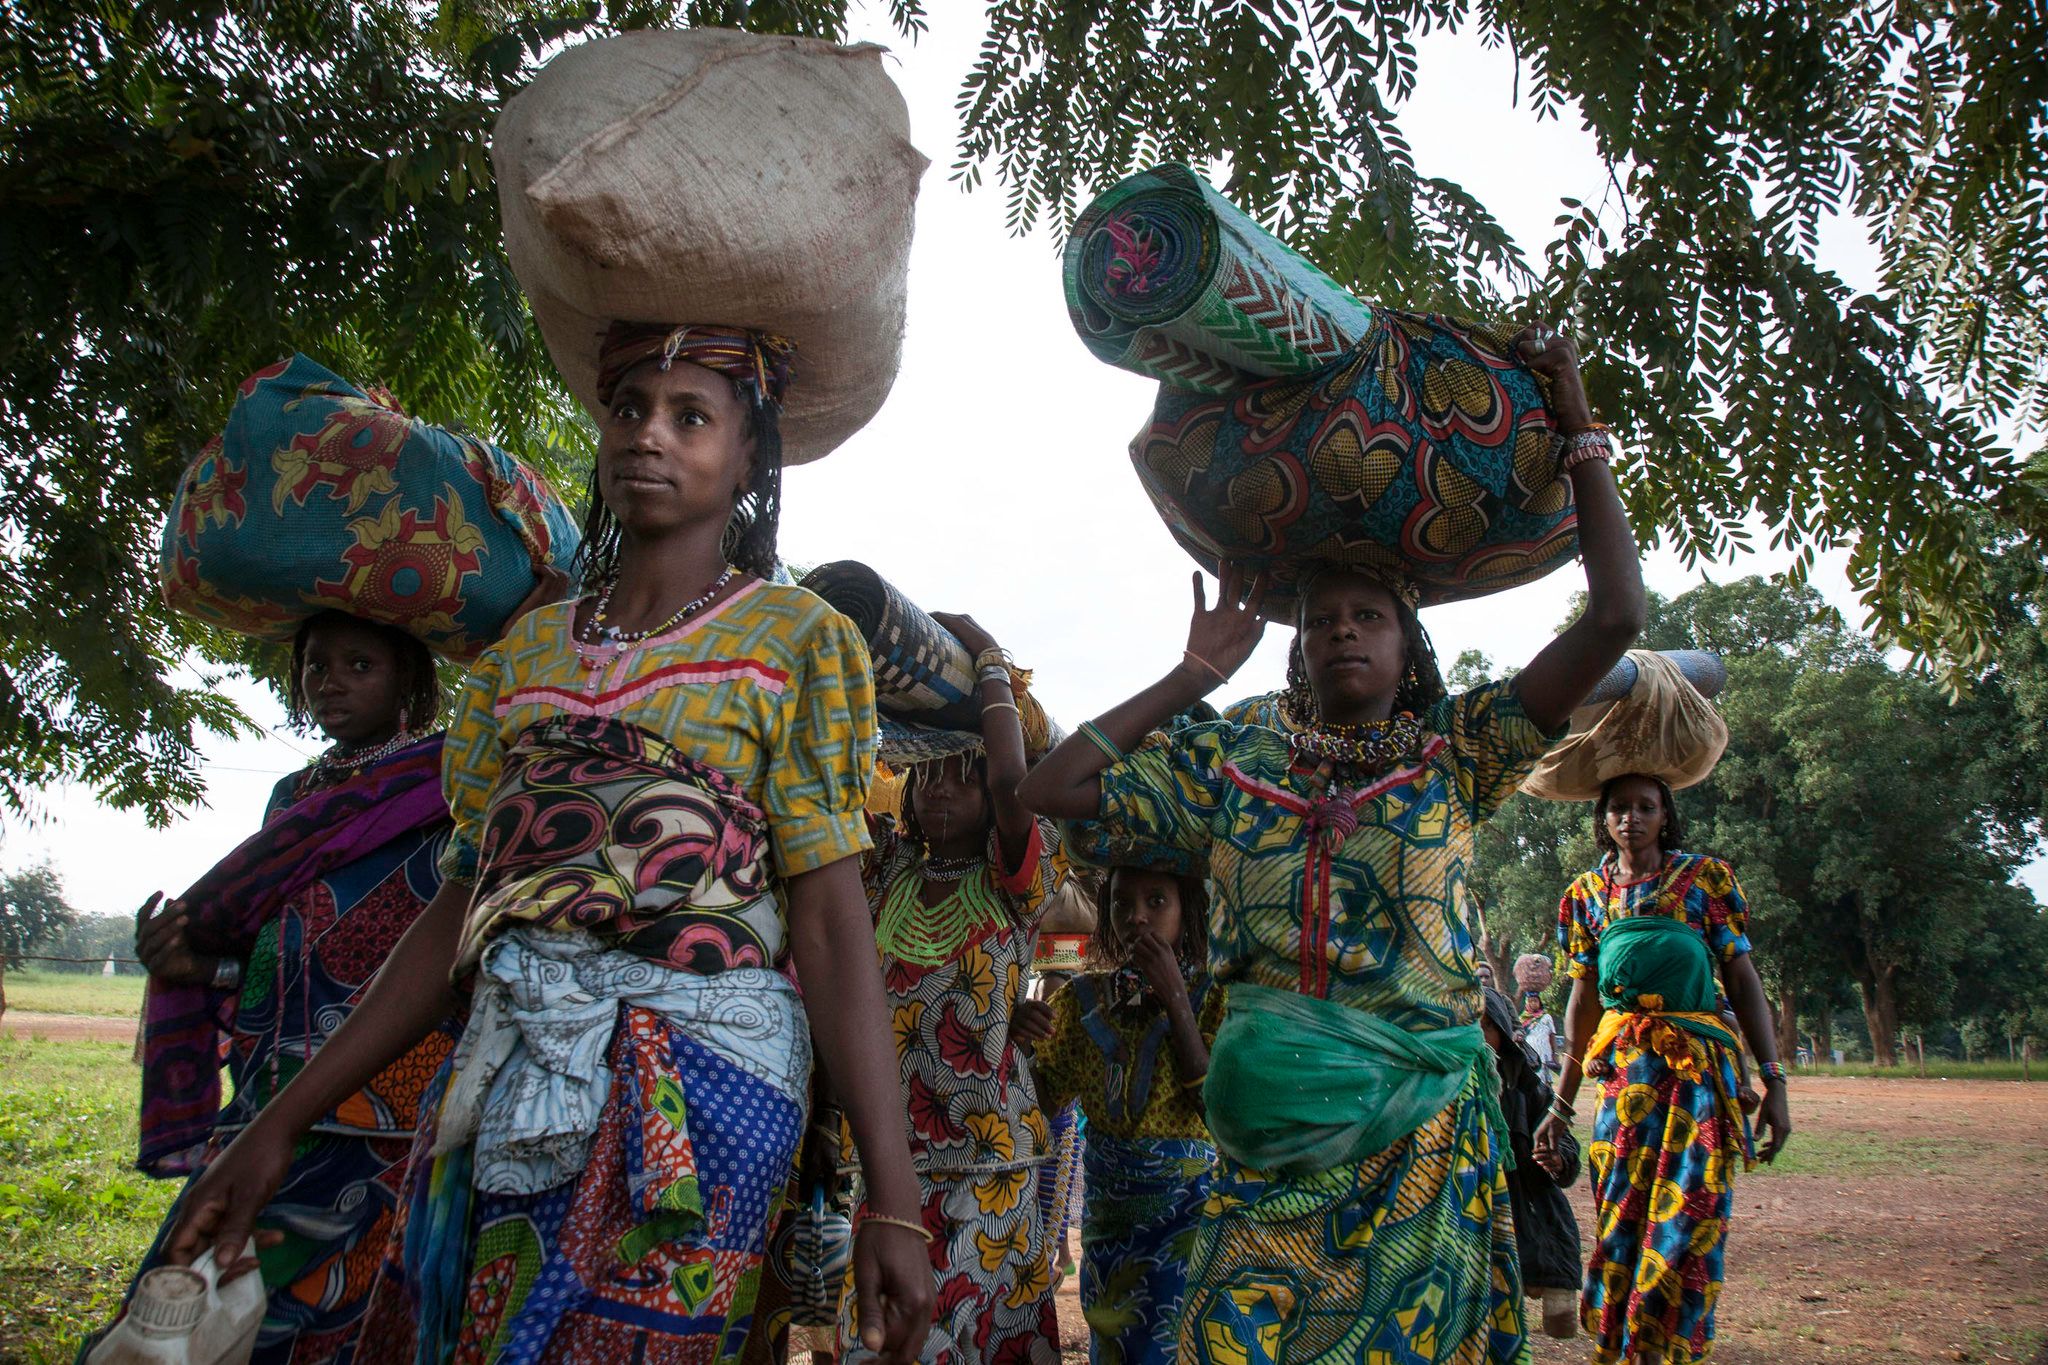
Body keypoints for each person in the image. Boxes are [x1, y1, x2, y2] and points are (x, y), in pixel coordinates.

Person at [159, 324, 934, 1365]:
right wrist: (280, 1120)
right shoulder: (523, 656)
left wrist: (892, 1197)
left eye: (690, 416)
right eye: (628, 410)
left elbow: (833, 927)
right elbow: (462, 913)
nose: (647, 437)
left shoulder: (794, 642)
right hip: (501, 1070)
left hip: (702, 1083)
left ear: (749, 459)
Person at [1019, 324, 1643, 1364]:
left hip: (1417, 1152)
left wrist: (1575, 423)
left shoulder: (1458, 750)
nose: (1342, 633)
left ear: (1409, 644)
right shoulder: (1233, 760)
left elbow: (1616, 615)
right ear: (1298, 649)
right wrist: (1189, 678)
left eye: (1367, 617)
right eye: (1319, 622)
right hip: (1260, 1155)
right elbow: (1051, 787)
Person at [102, 611, 451, 1365]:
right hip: (265, 1090)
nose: (329, 682)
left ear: (411, 685)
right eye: (316, 666)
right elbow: (277, 954)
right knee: (192, 1295)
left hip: (387, 1103)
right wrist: (196, 965)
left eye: (360, 666)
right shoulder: (295, 795)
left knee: (337, 1318)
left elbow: (442, 944)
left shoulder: (447, 783)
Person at [848, 612, 1063, 1365]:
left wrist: (990, 659)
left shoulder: (1018, 883)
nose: (940, 792)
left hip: (989, 1161)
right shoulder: (884, 870)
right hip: (888, 1164)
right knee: (888, 1340)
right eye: (927, 773)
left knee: (981, 1341)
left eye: (959, 778)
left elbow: (1014, 782)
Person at [1538, 772, 1790, 1365]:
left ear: (1665, 815)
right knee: (1622, 1229)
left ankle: (1662, 1353)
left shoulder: (1706, 880)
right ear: (1602, 818)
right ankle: (1629, 1350)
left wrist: (1774, 1081)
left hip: (1702, 1085)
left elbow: (1743, 981)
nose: (1631, 817)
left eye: (1645, 807)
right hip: (1626, 1088)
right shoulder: (1585, 897)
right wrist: (1559, 1103)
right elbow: (1582, 1007)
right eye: (1619, 808)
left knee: (1689, 1226)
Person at [1011, 860, 1223, 1365]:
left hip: (1184, 1230)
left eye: (1157, 902)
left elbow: (1215, 1108)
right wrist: (1015, 1044)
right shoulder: (1083, 1000)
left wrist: (1175, 996)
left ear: (1188, 910)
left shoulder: (1214, 999)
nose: (1137, 918)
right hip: (1110, 1236)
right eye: (1122, 904)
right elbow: (1041, 1101)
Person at [1480, 986, 1582, 1341]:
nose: (1478, 1036)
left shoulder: (1526, 1090)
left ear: (1504, 1037)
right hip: (1469, 1217)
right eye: (1470, 1025)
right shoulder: (1439, 1092)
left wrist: (1557, 1158)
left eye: (1486, 1026)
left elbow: (1565, 1144)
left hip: (1524, 1209)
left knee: (1558, 1318)